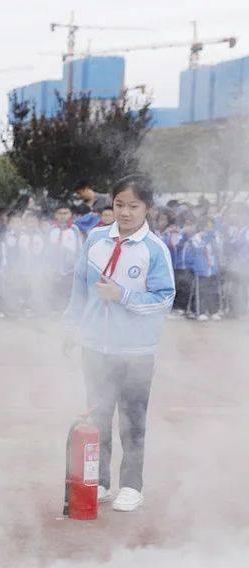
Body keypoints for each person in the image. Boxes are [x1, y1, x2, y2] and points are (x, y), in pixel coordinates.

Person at [63, 174, 174, 512]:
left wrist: (123, 295)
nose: (125, 213)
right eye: (119, 205)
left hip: (136, 351)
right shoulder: (96, 239)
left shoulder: (154, 249)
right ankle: (101, 481)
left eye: (133, 206)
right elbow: (80, 289)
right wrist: (71, 328)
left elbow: (164, 298)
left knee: (132, 421)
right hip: (96, 346)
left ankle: (131, 485)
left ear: (147, 208)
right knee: (99, 418)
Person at [189, 219, 222, 321]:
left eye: (211, 226)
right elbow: (198, 248)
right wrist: (206, 239)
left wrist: (213, 239)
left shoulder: (215, 236)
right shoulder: (196, 237)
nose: (209, 228)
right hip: (201, 268)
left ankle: (214, 311)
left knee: (213, 290)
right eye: (207, 226)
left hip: (212, 267)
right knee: (202, 290)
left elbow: (219, 248)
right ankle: (201, 311)